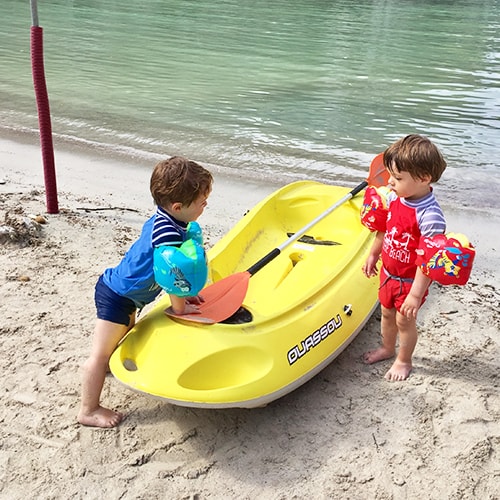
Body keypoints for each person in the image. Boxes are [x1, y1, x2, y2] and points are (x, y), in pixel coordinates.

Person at [78, 156, 213, 428]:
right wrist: (180, 307)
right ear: (178, 206)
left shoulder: (172, 219)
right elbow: (172, 274)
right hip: (116, 296)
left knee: (120, 339)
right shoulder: (167, 234)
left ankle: (105, 370)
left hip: (129, 296)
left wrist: (186, 297)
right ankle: (88, 410)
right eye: (201, 201)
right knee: (99, 354)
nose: (205, 205)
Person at [361, 135, 447, 381]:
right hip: (389, 273)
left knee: (404, 321)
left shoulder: (430, 216)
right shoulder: (396, 197)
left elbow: (428, 261)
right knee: (387, 313)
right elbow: (385, 228)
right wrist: (373, 254)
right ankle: (388, 348)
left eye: (398, 178)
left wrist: (415, 295)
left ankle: (403, 360)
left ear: (423, 178)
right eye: (390, 175)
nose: (390, 182)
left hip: (410, 282)